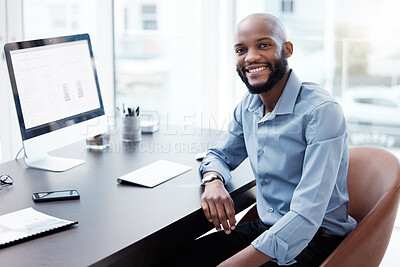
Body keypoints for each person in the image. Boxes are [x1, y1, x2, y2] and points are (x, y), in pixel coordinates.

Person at [169, 13, 357, 267]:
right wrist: (213, 180)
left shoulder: (321, 111)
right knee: (174, 258)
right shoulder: (249, 105)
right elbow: (219, 155)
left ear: (287, 50)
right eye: (241, 49)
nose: (251, 57)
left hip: (315, 238)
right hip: (267, 227)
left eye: (264, 45)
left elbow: (306, 214)